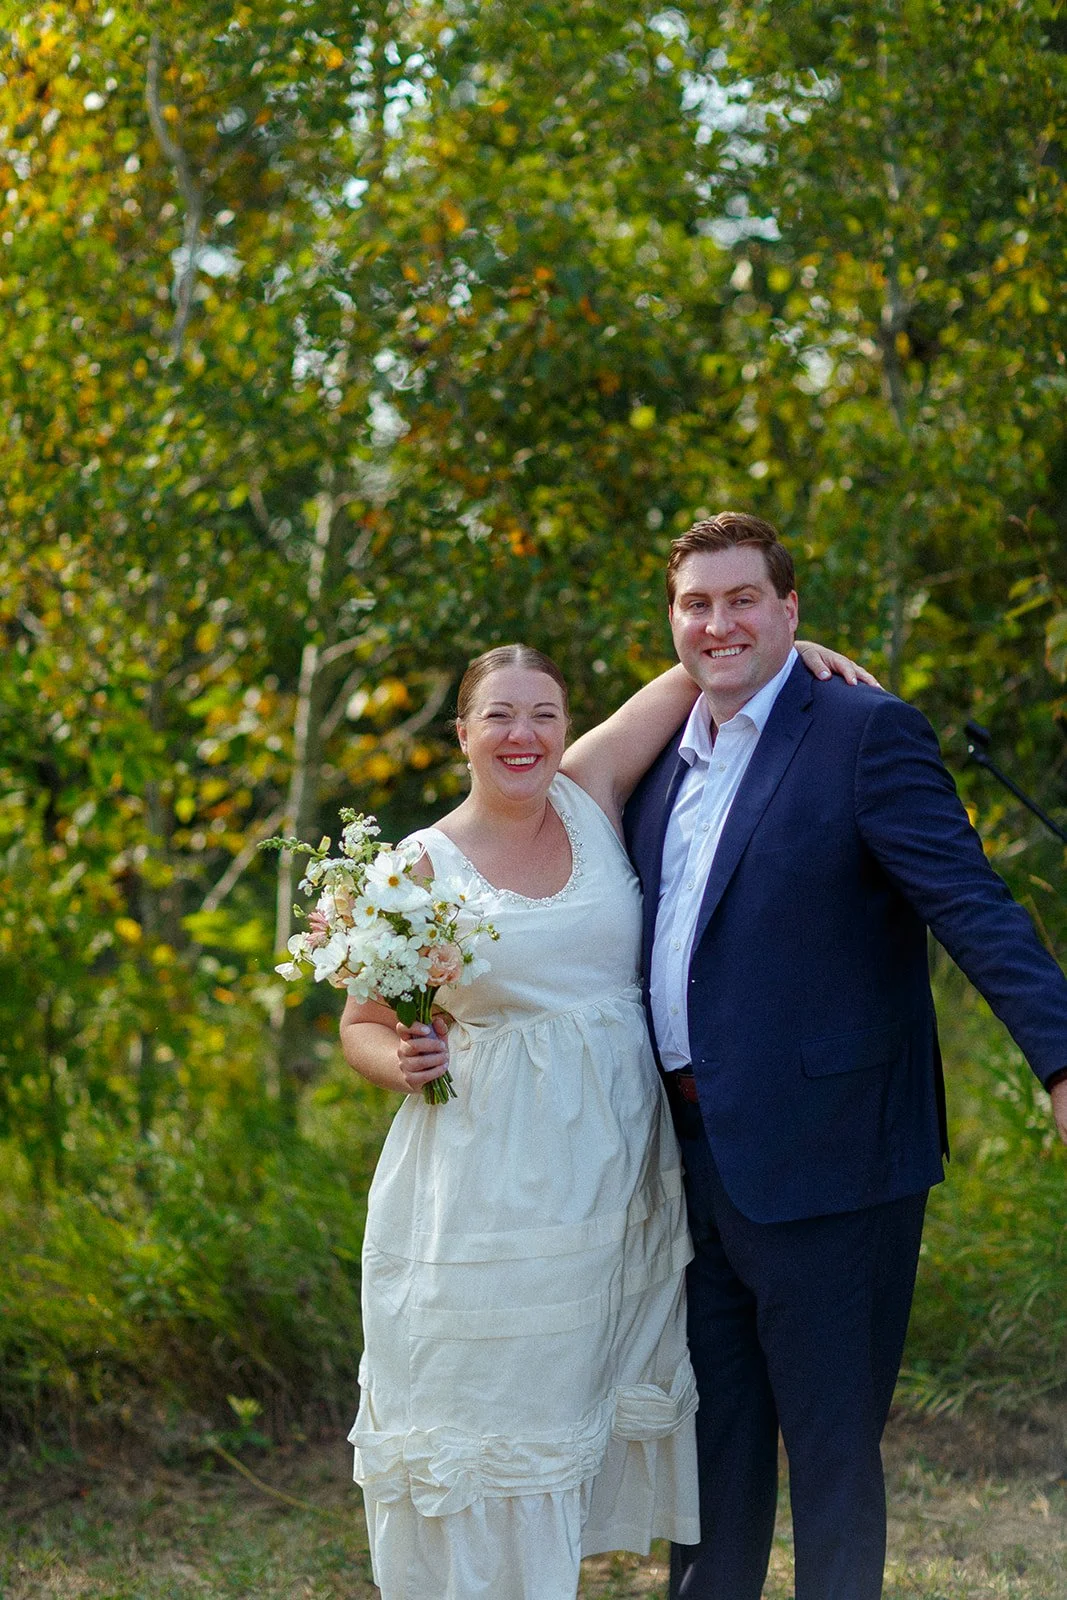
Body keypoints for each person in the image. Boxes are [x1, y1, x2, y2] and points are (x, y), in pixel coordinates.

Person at [336, 635, 871, 1600]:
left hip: (616, 1176)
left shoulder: (590, 793)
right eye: (498, 714)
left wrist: (792, 650)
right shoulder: (413, 866)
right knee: (486, 1411)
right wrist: (402, 1061)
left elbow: (699, 666)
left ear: (566, 727)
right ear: (460, 732)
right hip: (486, 1184)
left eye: (542, 712)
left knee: (573, 1406)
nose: (522, 733)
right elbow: (364, 1024)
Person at [623, 511, 1067, 1600]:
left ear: (788, 610)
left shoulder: (863, 733)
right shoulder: (654, 771)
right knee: (710, 1457)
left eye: (741, 600)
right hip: (688, 1163)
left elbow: (970, 903)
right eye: (695, 603)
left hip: (834, 1164)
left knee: (829, 1461)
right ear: (671, 621)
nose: (717, 623)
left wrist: (1059, 1059)